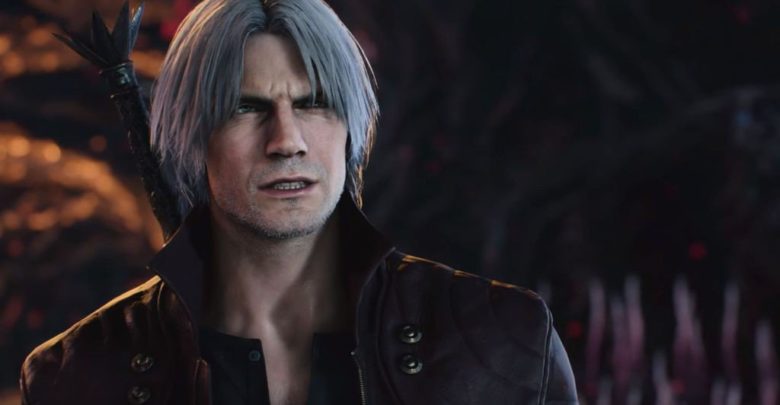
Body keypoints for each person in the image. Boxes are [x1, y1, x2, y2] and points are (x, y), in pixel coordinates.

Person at [20, 0, 578, 403]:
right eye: (246, 108)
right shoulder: (77, 375)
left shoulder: (507, 343)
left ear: (350, 129)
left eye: (314, 104)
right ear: (193, 136)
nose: (287, 140)